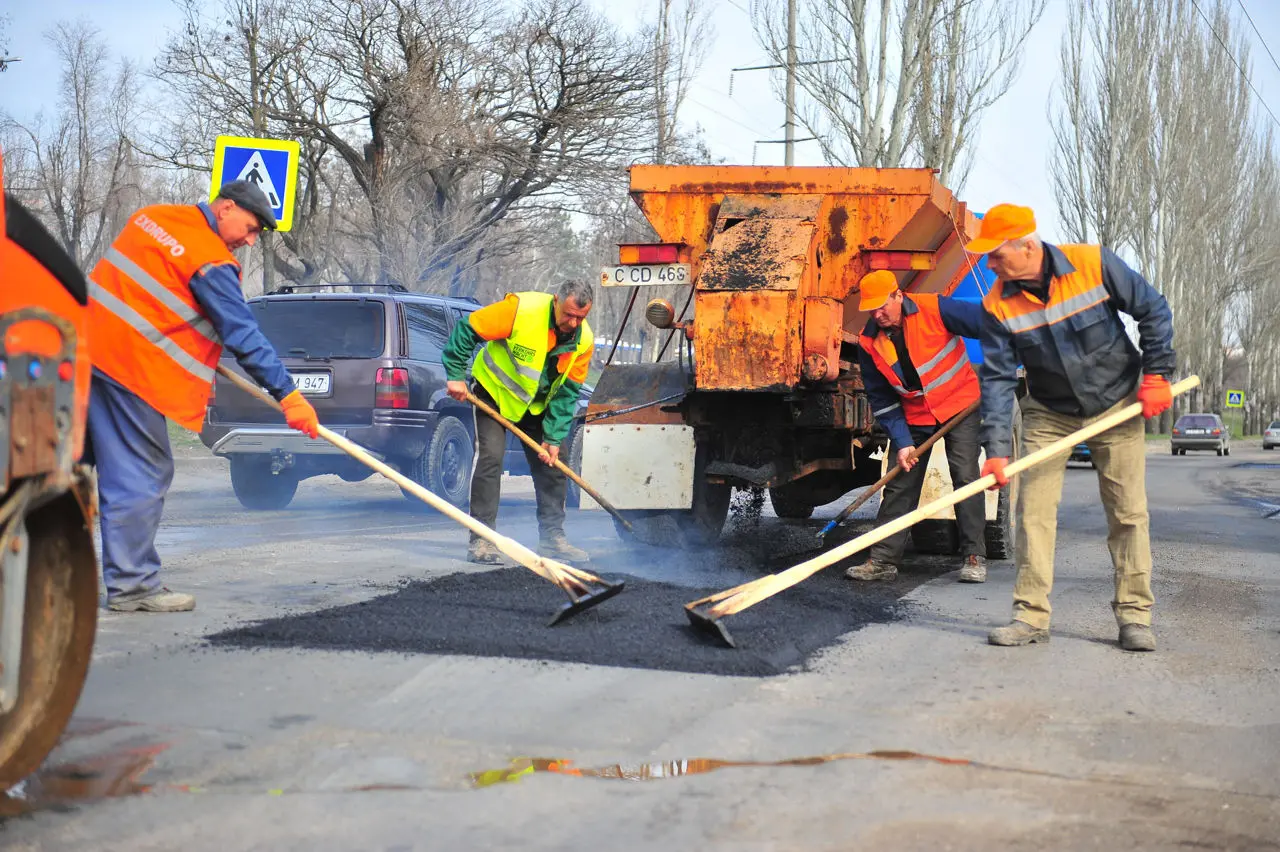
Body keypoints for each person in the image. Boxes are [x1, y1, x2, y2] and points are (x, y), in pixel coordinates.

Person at [86, 181, 319, 612]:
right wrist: (288, 395)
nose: (250, 240)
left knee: (66, 469)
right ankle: (133, 585)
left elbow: (147, 297)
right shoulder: (209, 259)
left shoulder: (151, 218)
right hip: (133, 372)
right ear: (225, 207)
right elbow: (243, 333)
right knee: (142, 473)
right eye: (250, 228)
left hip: (82, 356)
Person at [966, 204, 1174, 652]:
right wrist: (998, 449)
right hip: (1048, 412)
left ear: (1027, 245)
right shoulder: (996, 304)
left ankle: (1135, 617)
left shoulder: (1091, 263)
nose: (989, 264)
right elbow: (998, 380)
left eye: (996, 255)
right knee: (1033, 514)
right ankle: (1030, 616)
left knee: (1128, 515)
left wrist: (1157, 374)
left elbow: (1153, 309)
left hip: (1116, 406)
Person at [847, 270, 989, 584]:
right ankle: (883, 560)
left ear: (899, 295)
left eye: (883, 306)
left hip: (960, 404)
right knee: (899, 482)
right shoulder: (869, 341)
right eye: (871, 309)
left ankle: (973, 556)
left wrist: (1007, 356)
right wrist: (902, 440)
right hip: (914, 417)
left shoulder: (935, 308)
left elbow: (990, 324)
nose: (878, 315)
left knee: (965, 474)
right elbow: (881, 398)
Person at [442, 280, 595, 564]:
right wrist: (455, 373)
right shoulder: (520, 311)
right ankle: (482, 539)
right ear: (556, 301)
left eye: (580, 318)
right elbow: (469, 329)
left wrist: (552, 438)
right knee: (491, 459)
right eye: (569, 314)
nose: (573, 323)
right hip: (494, 396)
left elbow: (567, 393)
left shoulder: (583, 341)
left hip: (537, 407)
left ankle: (552, 539)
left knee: (552, 463)